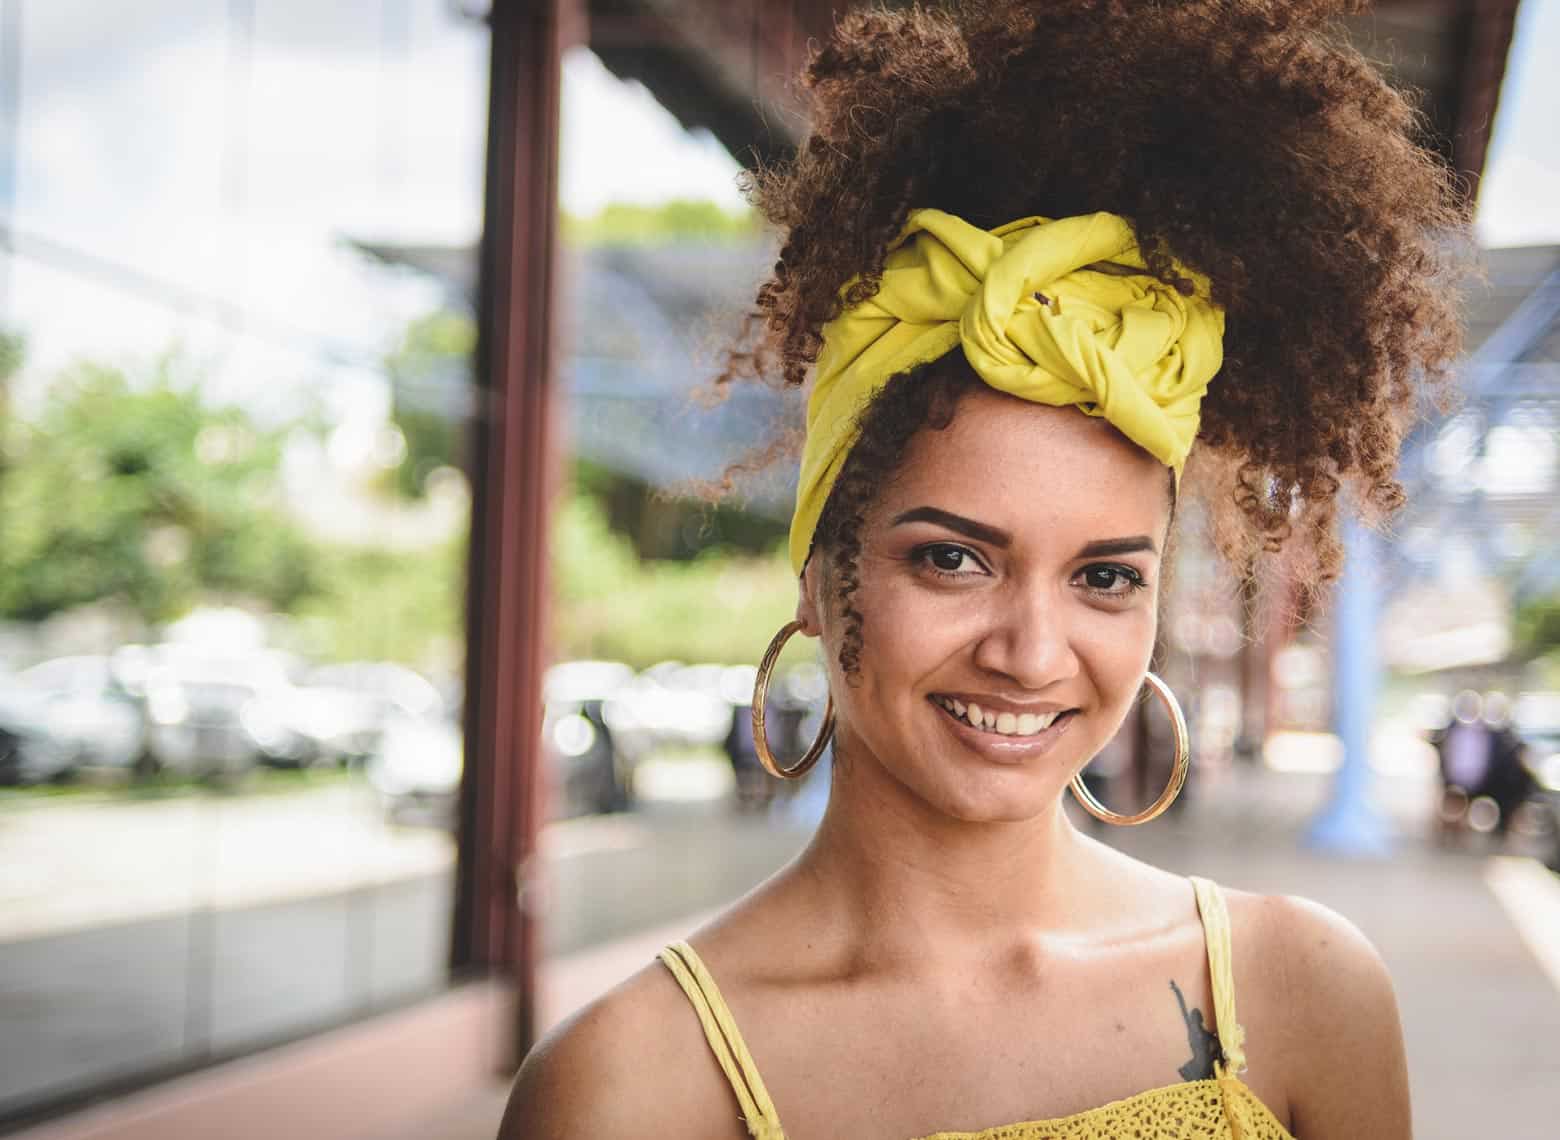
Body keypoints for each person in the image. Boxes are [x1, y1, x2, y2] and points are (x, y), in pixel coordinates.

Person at [503, 2, 1466, 1136]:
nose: (1031, 653)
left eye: (1105, 577)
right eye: (954, 558)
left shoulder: (1300, 992)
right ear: (818, 574)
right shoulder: (630, 1085)